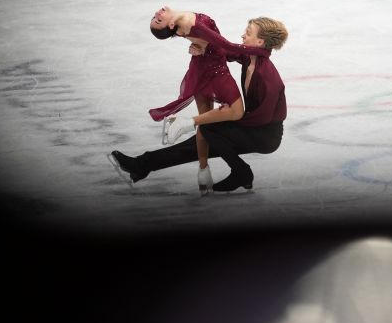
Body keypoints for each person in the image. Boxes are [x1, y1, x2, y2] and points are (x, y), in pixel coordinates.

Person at [109, 16, 289, 194]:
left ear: (259, 41)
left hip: (265, 135)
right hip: (253, 128)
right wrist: (203, 48)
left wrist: (227, 116)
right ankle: (141, 165)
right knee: (196, 144)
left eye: (248, 33)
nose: (242, 36)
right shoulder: (251, 58)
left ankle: (241, 172)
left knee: (209, 129)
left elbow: (262, 118)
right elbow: (226, 52)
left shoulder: (267, 78)